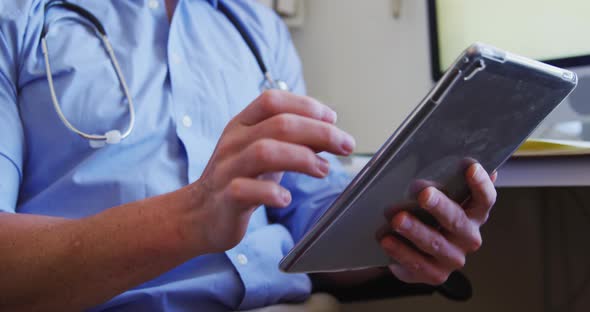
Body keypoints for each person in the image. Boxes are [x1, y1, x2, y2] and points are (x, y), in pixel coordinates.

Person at [0, 0, 498, 311]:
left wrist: (401, 238)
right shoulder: (18, 19)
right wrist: (190, 217)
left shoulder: (257, 29)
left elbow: (310, 224)